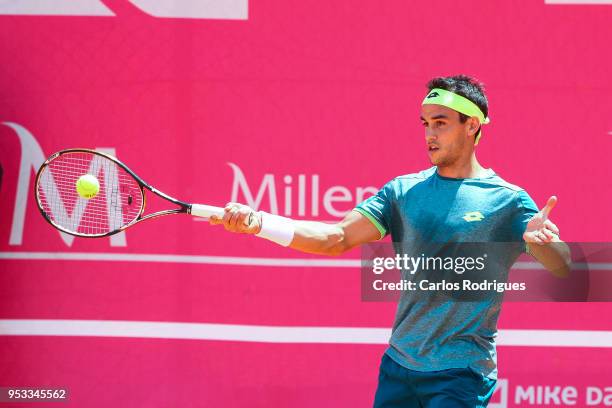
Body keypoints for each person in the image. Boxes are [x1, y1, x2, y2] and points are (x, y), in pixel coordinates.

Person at [209, 75, 570, 407]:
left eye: (441, 123)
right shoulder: (403, 191)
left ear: (471, 125)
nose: (430, 133)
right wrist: (259, 223)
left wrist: (542, 245)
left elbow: (565, 266)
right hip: (399, 366)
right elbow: (334, 238)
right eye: (426, 124)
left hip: (462, 373)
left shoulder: (508, 200)